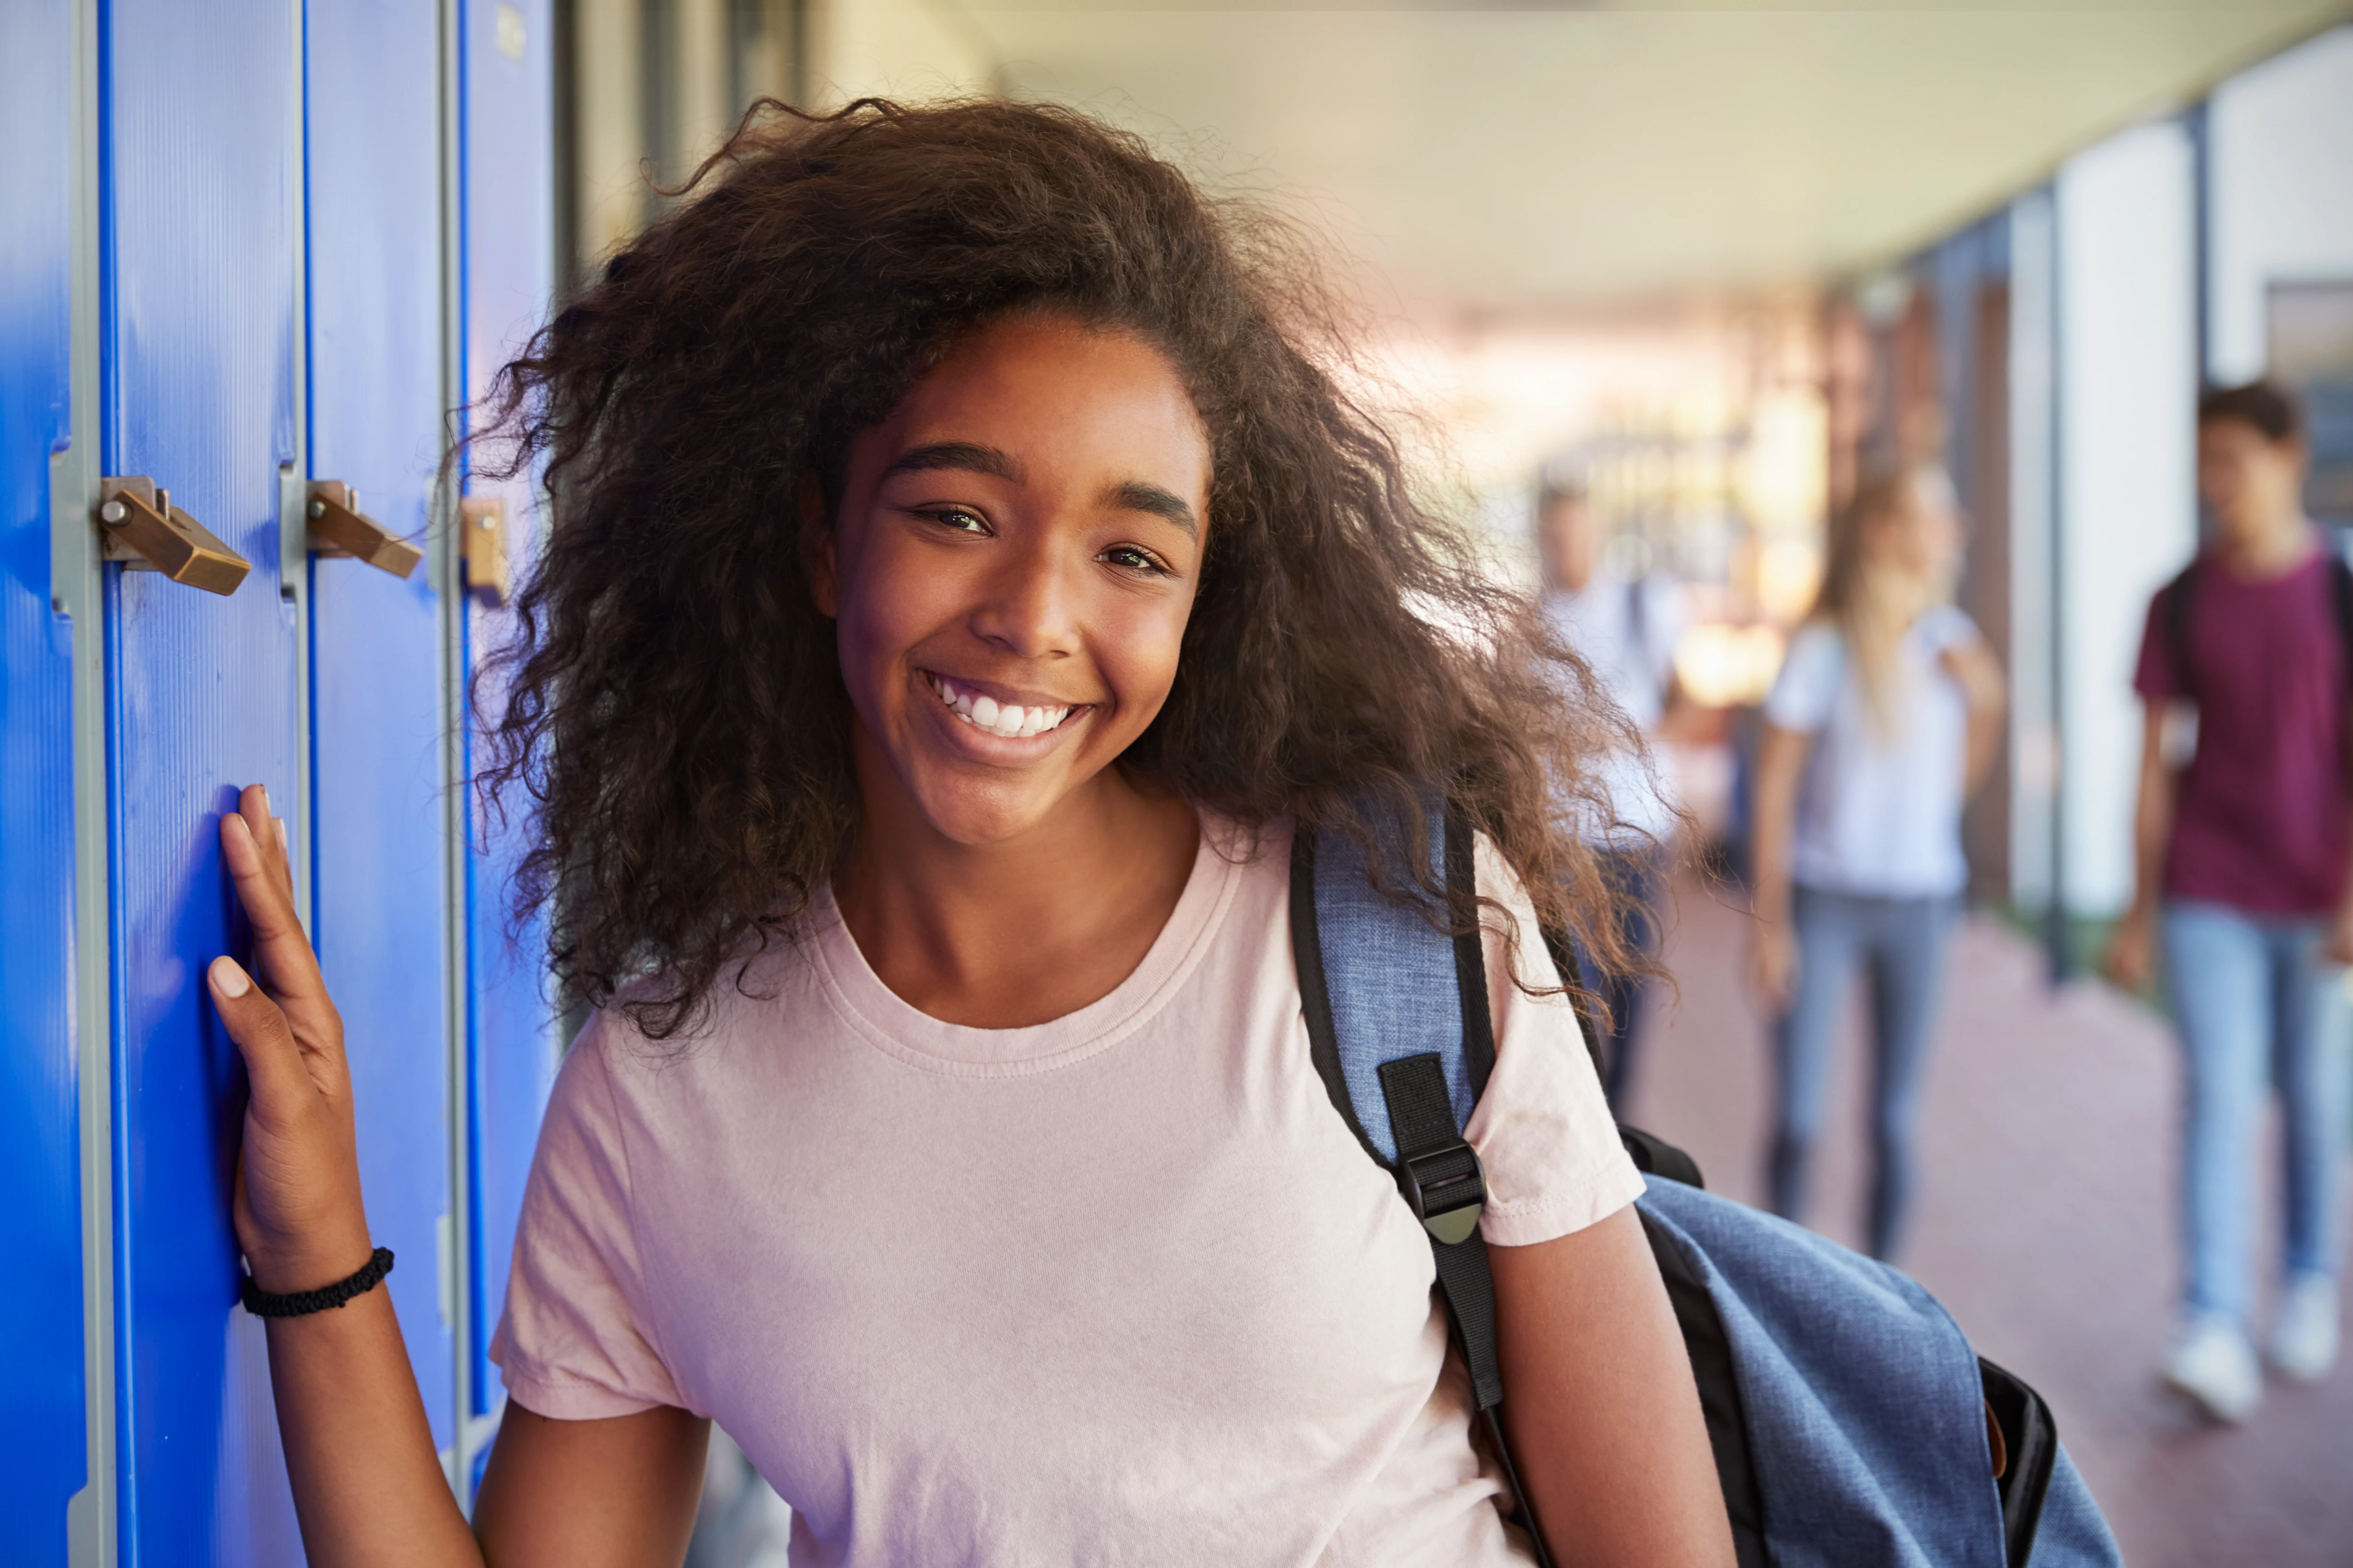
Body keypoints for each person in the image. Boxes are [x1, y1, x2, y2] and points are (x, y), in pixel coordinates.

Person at [202, 101, 1734, 1567]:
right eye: (954, 513)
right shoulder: (667, 1094)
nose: (1033, 620)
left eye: (1132, 551)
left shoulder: (1392, 929)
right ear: (821, 536)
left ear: (1207, 602)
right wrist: (316, 1236)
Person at [2104, 380, 2353, 1424]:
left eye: (2231, 462)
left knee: (2308, 1089)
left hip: (2316, 888)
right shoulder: (2181, 598)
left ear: (2287, 456)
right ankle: (2210, 1320)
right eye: (2203, 463)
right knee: (2214, 1091)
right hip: (2208, 882)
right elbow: (2154, 764)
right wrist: (2136, 906)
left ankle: (2302, 1278)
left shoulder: (2338, 592)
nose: (2215, 484)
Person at [1748, 466, 2006, 1261]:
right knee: (1799, 1115)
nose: (1952, 528)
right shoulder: (1822, 646)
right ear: (1883, 532)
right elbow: (1773, 789)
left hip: (1918, 907)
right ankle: (1780, 1274)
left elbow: (1978, 740)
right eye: (1934, 515)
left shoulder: (1952, 642)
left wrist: (1982, 705)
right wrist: (1769, 925)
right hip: (1823, 901)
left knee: (1894, 1122)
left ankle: (1879, 1288)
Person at [1536, 476, 1688, 1109]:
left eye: (1574, 531)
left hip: (1631, 831)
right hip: (1559, 834)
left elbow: (1689, 705)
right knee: (1570, 985)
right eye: (1553, 534)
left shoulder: (1644, 603)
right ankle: (1585, 1110)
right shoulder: (1530, 618)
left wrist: (1625, 735)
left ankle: (1619, 1118)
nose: (1564, 545)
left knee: (1628, 984)